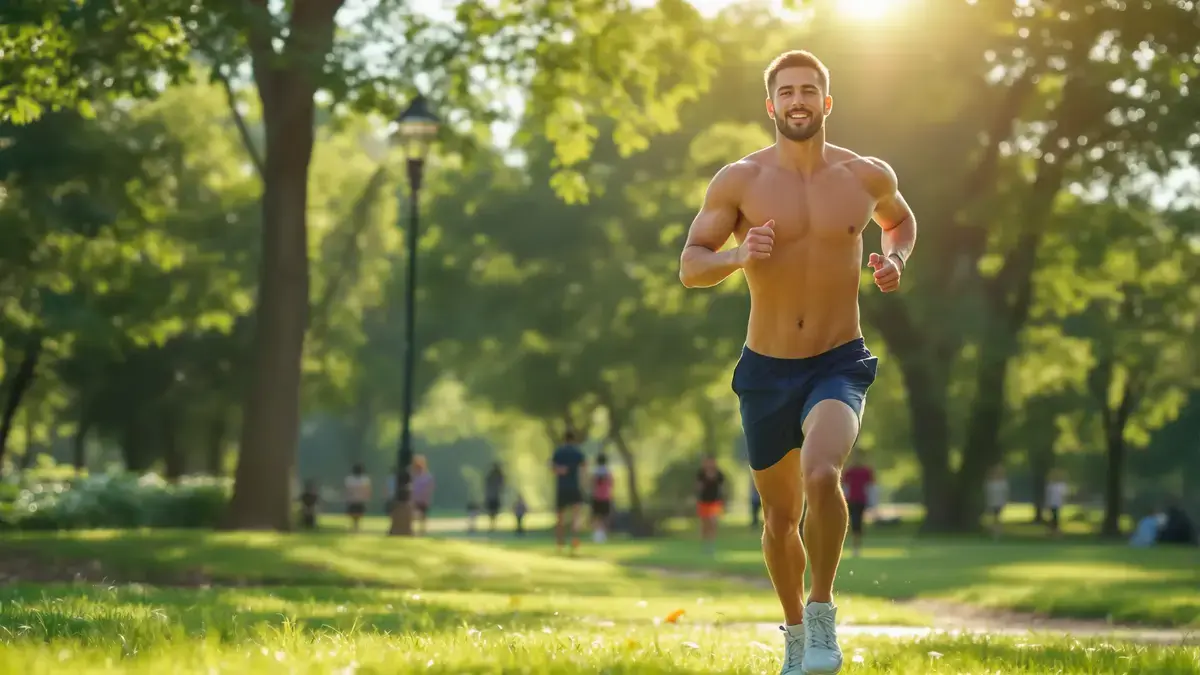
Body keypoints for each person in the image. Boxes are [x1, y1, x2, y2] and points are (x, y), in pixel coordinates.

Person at [678, 49, 917, 675]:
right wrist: (738, 255)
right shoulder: (740, 181)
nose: (798, 100)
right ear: (772, 105)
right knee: (780, 519)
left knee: (821, 474)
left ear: (826, 102)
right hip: (766, 368)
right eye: (787, 92)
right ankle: (791, 634)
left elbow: (900, 222)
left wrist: (895, 261)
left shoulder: (865, 175)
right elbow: (690, 266)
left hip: (839, 360)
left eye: (809, 90)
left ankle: (821, 618)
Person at [550, 429, 588, 555]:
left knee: (560, 517)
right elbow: (584, 469)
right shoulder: (577, 453)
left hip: (561, 488)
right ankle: (574, 542)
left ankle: (560, 543)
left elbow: (552, 468)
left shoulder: (559, 452)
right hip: (574, 487)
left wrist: (561, 470)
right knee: (576, 517)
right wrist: (584, 485)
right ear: (573, 440)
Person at [841, 455, 874, 558]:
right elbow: (845, 486)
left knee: (857, 521)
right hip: (851, 500)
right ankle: (855, 546)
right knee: (853, 522)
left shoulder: (866, 472)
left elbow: (870, 487)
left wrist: (872, 501)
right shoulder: (849, 472)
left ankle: (856, 547)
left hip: (861, 500)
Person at [696, 455, 726, 554]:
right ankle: (705, 545)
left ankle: (711, 546)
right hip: (703, 502)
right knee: (705, 524)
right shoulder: (701, 474)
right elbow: (698, 487)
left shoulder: (719, 474)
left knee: (713, 522)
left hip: (715, 502)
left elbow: (721, 488)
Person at [590, 453, 615, 543]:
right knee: (605, 516)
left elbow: (591, 484)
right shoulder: (608, 472)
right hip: (606, 497)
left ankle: (597, 534)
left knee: (596, 516)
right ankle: (603, 534)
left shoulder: (594, 472)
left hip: (596, 496)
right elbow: (612, 484)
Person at [410, 455, 434, 536]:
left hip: (423, 499)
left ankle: (422, 531)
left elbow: (430, 488)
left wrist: (427, 498)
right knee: (412, 515)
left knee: (422, 517)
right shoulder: (413, 476)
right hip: (414, 499)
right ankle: (412, 530)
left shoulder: (427, 477)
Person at [344, 464, 371, 533]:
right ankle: (356, 526)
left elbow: (348, 490)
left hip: (353, 499)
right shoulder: (365, 479)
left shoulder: (349, 479)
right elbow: (367, 490)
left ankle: (355, 526)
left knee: (354, 514)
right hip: (360, 499)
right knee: (358, 514)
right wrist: (367, 497)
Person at [985, 465, 1009, 540]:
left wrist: (1004, 501)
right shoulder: (990, 482)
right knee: (993, 517)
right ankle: (995, 531)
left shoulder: (1003, 482)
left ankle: (997, 532)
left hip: (999, 502)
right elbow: (987, 492)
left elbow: (1005, 493)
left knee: (997, 517)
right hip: (992, 502)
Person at [1044, 469, 1068, 538]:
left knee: (1055, 517)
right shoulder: (1051, 485)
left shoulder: (1061, 485)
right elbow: (1048, 495)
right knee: (1054, 517)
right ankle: (1053, 531)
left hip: (1057, 503)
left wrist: (1063, 503)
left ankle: (1054, 531)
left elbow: (1064, 495)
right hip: (1052, 503)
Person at [484, 463, 506, 533]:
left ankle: (492, 525)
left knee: (492, 511)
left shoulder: (493, 475)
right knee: (493, 511)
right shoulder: (497, 475)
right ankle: (492, 525)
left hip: (493, 496)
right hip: (494, 496)